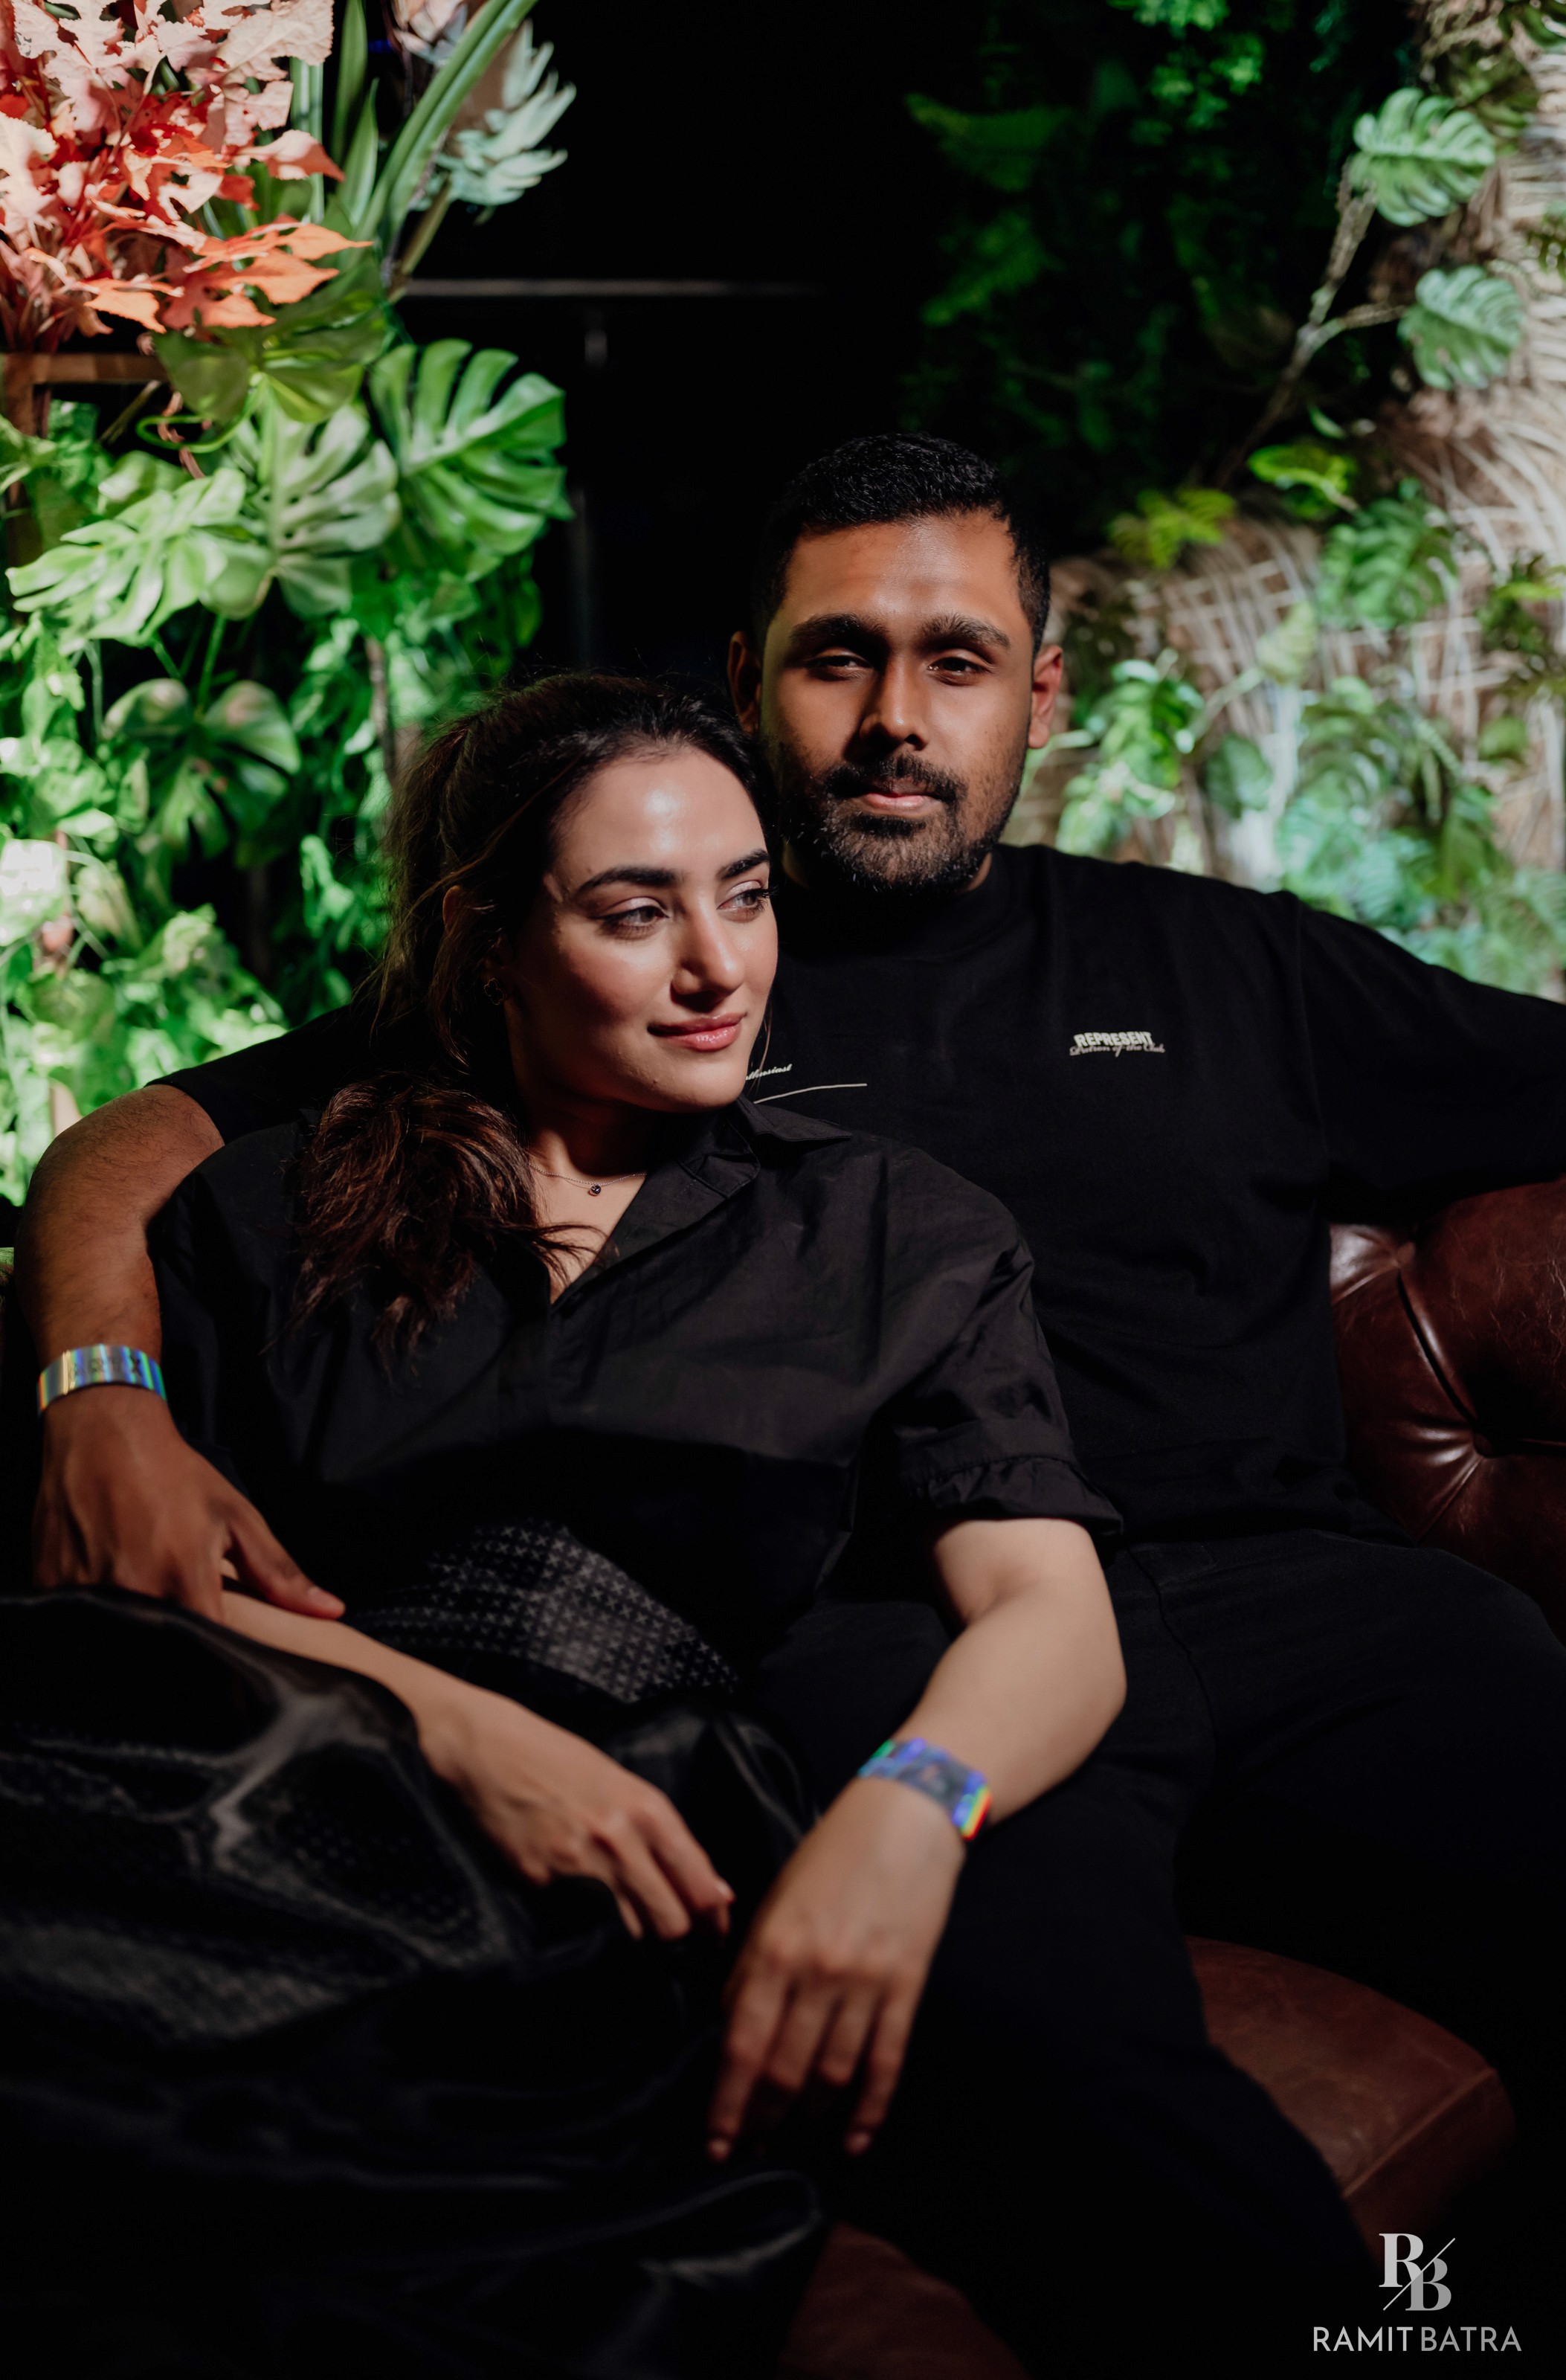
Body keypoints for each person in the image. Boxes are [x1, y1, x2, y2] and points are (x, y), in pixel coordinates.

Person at [15, 436, 1566, 2351]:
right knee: (1050, 2073)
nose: (895, 717)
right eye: (840, 656)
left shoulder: (1219, 959)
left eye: (957, 658)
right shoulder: (630, 947)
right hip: (887, 1621)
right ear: (749, 676)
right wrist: (99, 1390)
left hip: (1292, 1598)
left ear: (1040, 691)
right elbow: (135, 1145)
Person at [1, 674, 1151, 2377]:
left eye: (744, 894)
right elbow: (133, 1587)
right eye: (634, 911)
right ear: (491, 942)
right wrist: (457, 1731)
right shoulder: (273, 1198)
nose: (718, 966)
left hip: (602, 1860)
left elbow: (1051, 1616)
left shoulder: (889, 1231)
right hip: (212, 1779)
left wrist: (910, 1810)